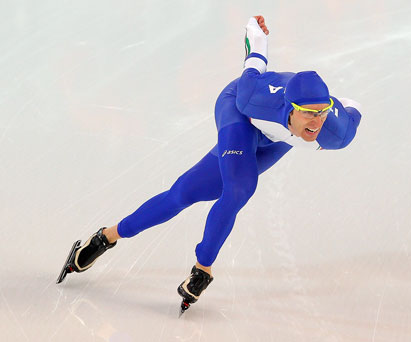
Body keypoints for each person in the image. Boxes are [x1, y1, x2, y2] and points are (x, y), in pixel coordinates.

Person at [57, 15, 362, 313]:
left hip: (274, 139)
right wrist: (256, 30)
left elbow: (353, 108)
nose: (316, 123)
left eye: (321, 113)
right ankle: (193, 264)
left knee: (197, 191)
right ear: (290, 108)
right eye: (309, 114)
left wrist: (334, 108)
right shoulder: (253, 97)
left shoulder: (335, 131)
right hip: (240, 115)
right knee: (226, 190)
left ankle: (117, 239)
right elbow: (255, 57)